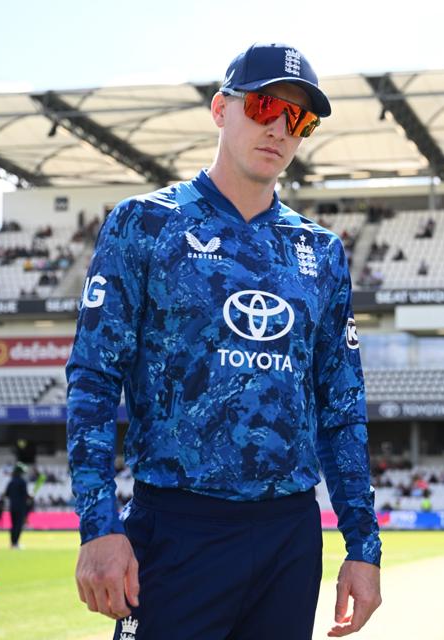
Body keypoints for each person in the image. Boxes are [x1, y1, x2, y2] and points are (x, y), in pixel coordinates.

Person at [67, 42, 381, 640]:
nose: (280, 129)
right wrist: (98, 524)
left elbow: (342, 408)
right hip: (179, 525)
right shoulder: (146, 224)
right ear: (221, 108)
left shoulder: (320, 252)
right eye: (265, 105)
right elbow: (93, 378)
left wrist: (363, 548)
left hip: (290, 534)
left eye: (300, 119)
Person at [5, 464, 30, 548]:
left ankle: (12, 543)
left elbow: (7, 494)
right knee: (18, 525)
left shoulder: (11, 482)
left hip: (12, 506)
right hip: (20, 507)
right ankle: (16, 543)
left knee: (13, 525)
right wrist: (30, 497)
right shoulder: (22, 482)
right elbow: (25, 495)